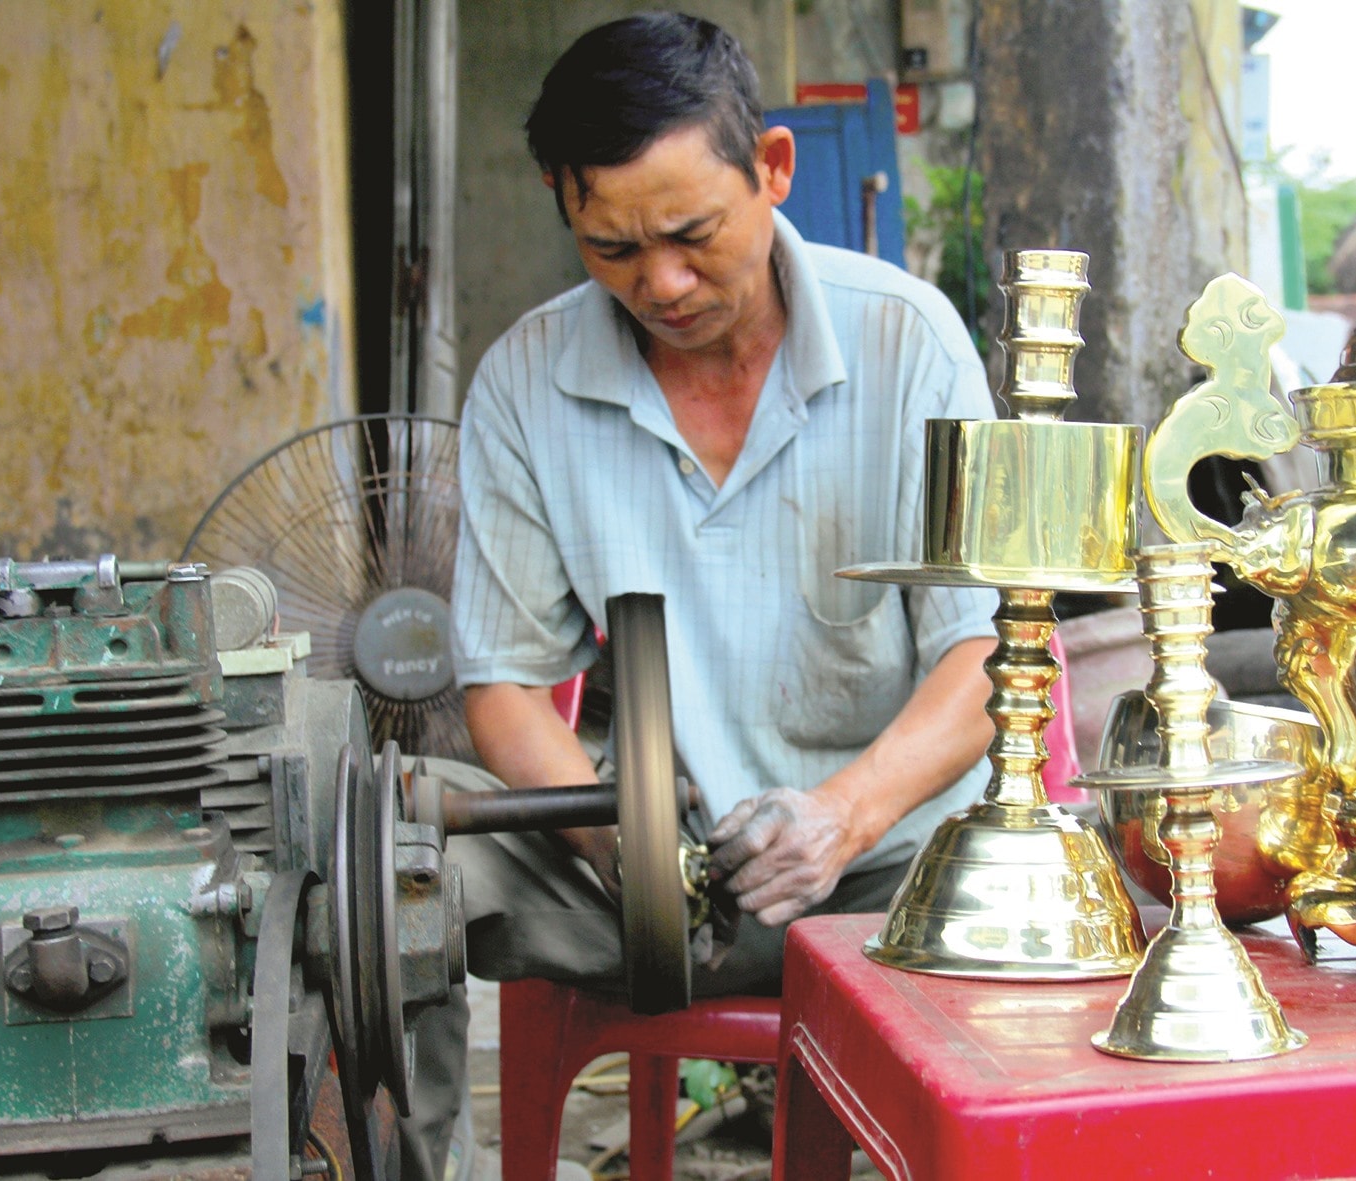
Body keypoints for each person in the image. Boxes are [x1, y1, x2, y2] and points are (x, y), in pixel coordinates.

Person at [404, 12, 998, 1178]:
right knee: (393, 865)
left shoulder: (907, 342)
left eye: (691, 235)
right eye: (610, 249)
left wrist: (842, 815)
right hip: (646, 884)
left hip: (897, 879)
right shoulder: (525, 383)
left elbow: (987, 664)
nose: (661, 284)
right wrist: (614, 837)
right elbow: (507, 689)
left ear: (771, 169)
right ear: (563, 209)